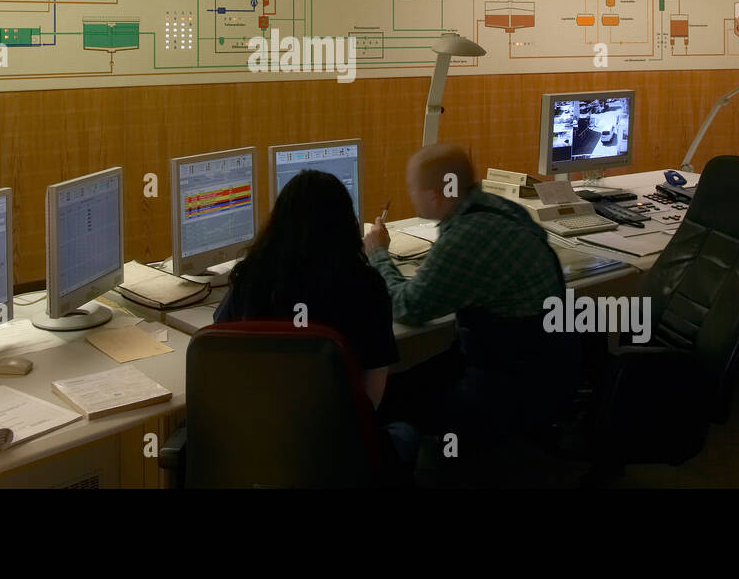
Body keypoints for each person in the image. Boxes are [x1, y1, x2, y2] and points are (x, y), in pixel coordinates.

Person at [364, 144, 579, 439]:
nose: (409, 194)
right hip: (543, 365)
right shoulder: (499, 208)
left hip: (508, 384)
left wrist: (377, 255)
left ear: (433, 195)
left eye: (412, 188)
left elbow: (408, 308)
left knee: (384, 401)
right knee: (405, 381)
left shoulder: (467, 235)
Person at [213, 168, 417, 480]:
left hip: (261, 447)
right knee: (405, 431)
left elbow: (221, 336)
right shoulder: (366, 286)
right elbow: (371, 398)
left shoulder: (250, 279)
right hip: (342, 453)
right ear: (347, 225)